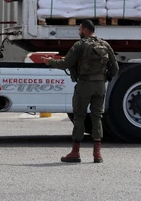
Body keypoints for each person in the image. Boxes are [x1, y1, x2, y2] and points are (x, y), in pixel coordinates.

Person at [47, 19, 119, 164]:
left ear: (85, 30)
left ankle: (75, 153)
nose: (79, 32)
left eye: (79, 30)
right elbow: (115, 68)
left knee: (79, 117)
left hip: (85, 85)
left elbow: (66, 63)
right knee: (97, 117)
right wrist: (104, 78)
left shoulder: (80, 45)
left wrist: (49, 61)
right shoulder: (104, 44)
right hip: (100, 85)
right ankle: (97, 154)